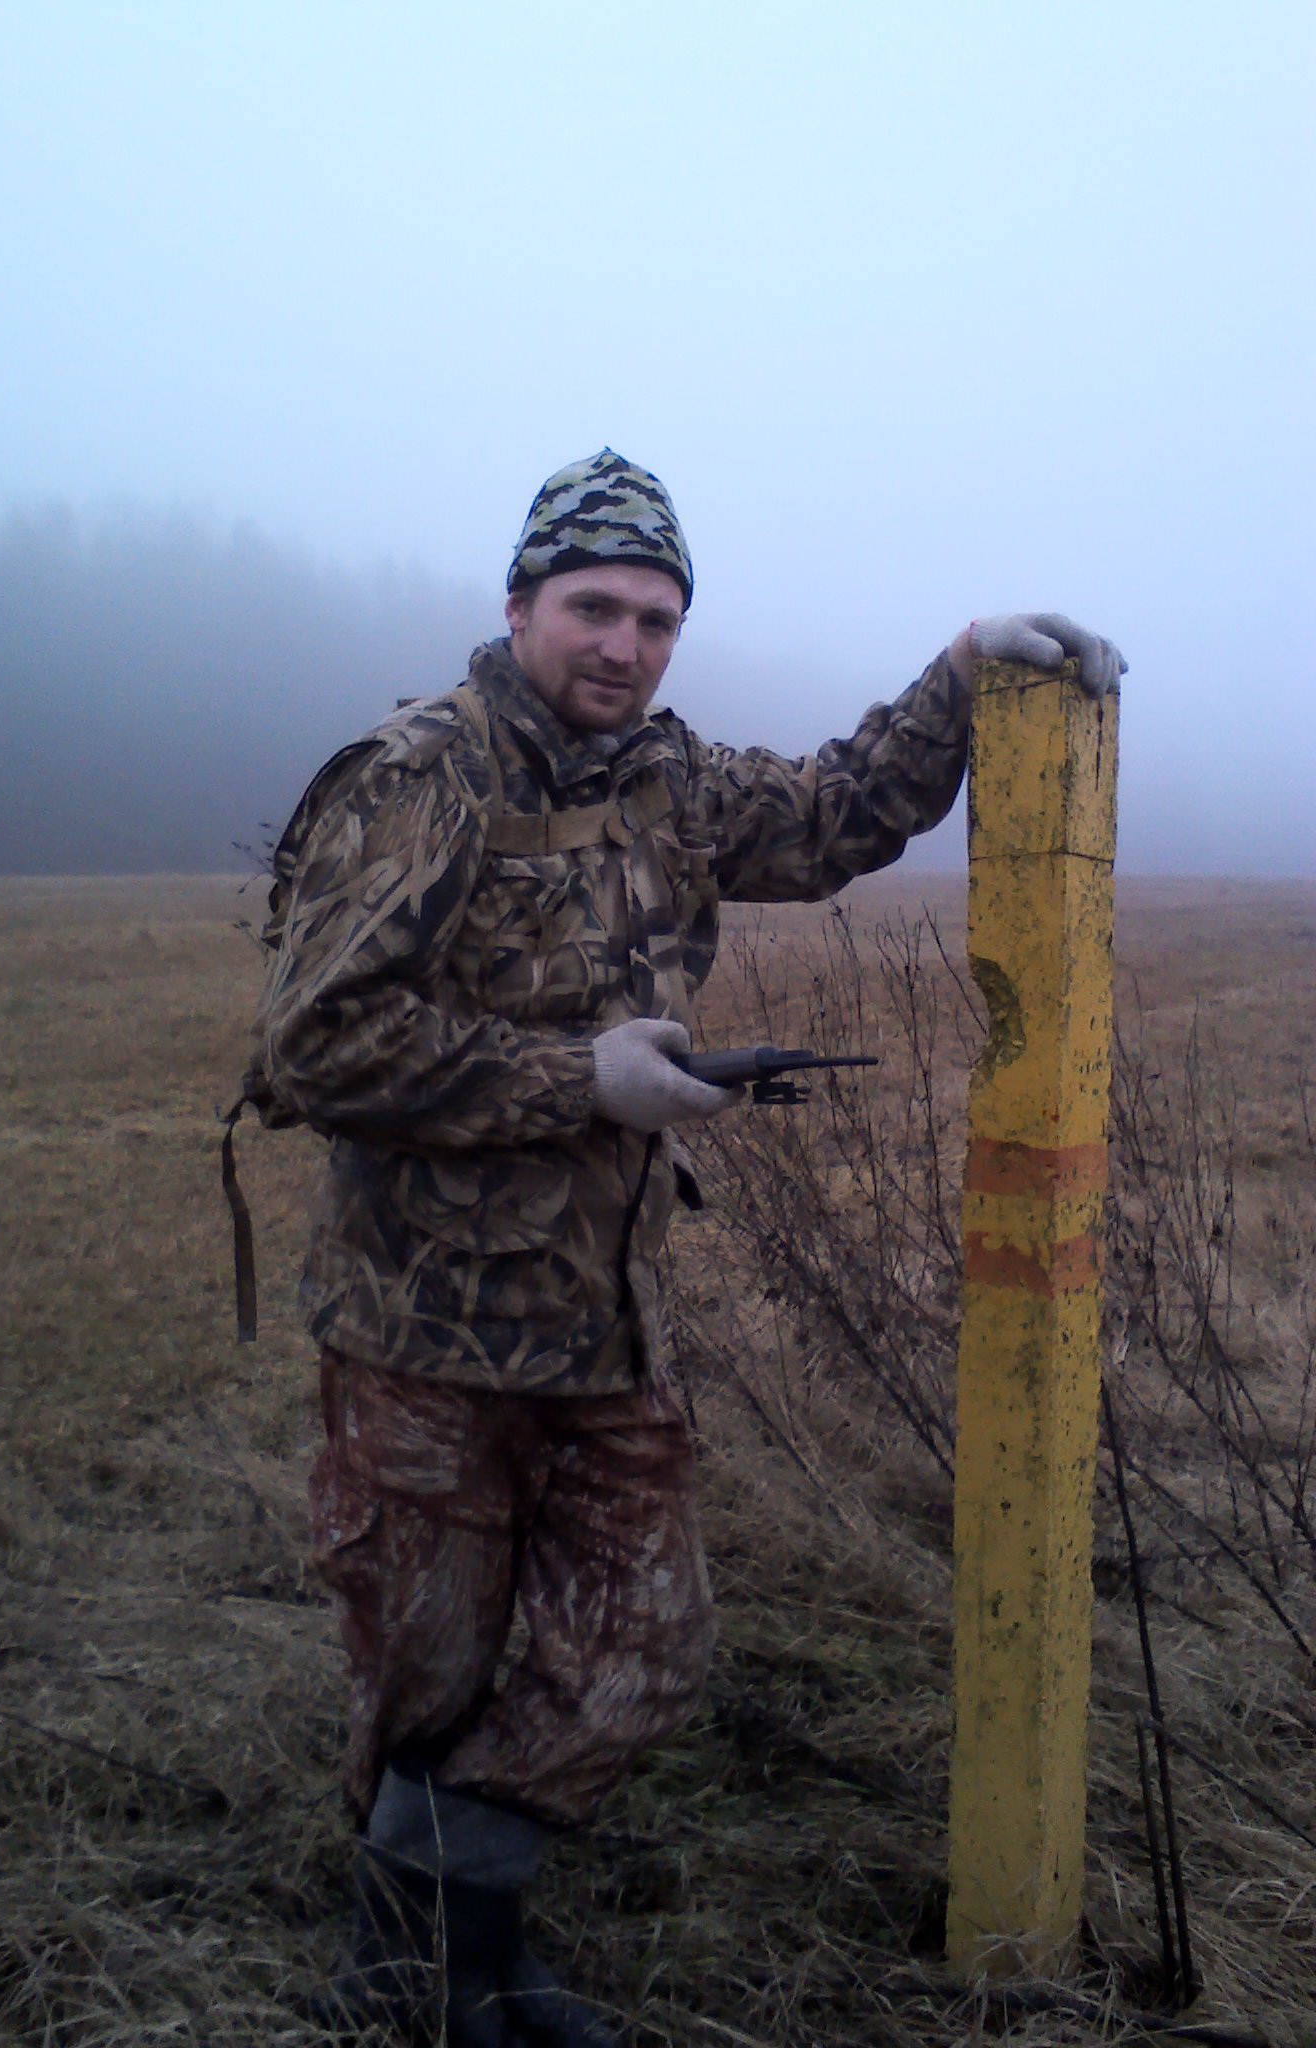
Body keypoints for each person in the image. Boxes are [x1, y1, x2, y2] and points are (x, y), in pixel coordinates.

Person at [249, 449, 1125, 2045]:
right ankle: (439, 1981)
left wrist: (960, 673)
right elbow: (314, 1047)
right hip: (422, 1340)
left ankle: (436, 1952)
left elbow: (836, 814)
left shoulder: (669, 777)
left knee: (643, 1654)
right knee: (428, 1686)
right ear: (519, 605)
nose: (625, 646)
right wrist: (578, 1079)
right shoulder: (419, 775)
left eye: (656, 619)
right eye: (593, 608)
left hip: (605, 1329)